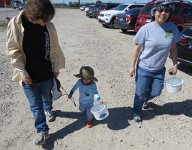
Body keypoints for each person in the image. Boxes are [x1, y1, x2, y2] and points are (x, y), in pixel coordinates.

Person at [6, 0, 65, 145]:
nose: (46, 23)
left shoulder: (49, 26)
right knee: (35, 106)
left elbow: (55, 49)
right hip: (28, 77)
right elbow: (13, 52)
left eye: (48, 20)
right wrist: (22, 73)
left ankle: (48, 109)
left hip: (46, 73)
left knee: (47, 97)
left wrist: (56, 67)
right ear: (33, 15)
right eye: (43, 20)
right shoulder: (16, 24)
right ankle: (42, 130)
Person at [129, 0, 180, 122]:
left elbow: (173, 49)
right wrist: (132, 66)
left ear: (169, 14)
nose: (163, 13)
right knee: (139, 93)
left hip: (159, 69)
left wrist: (174, 64)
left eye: (167, 11)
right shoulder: (146, 28)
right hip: (143, 68)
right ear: (154, 12)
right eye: (160, 10)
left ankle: (145, 100)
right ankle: (137, 111)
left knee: (156, 92)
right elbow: (136, 48)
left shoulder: (171, 28)